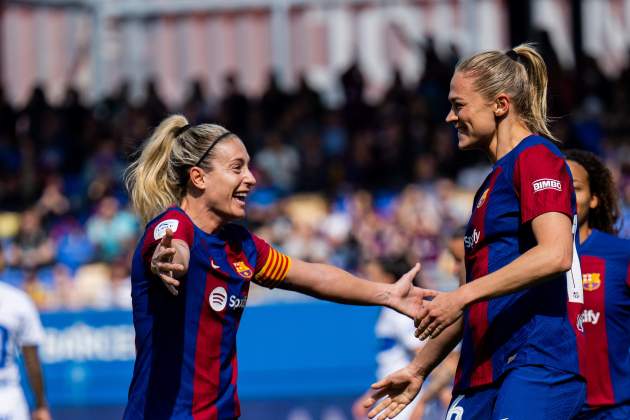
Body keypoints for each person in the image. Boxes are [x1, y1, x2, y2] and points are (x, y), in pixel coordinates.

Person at [122, 115, 435, 419]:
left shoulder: (241, 246)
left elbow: (315, 276)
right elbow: (174, 245)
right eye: (236, 168)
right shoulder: (173, 224)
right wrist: (173, 259)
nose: (251, 178)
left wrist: (388, 294)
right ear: (198, 177)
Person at [363, 44, 585, 420]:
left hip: (532, 363)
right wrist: (419, 369)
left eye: (458, 105)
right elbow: (476, 301)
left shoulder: (536, 156)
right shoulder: (488, 186)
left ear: (500, 105)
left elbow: (555, 254)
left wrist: (462, 294)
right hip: (479, 373)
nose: (450, 117)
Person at [564, 150, 630, 420]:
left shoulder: (621, 255)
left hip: (615, 410)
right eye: (559, 186)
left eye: (576, 188)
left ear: (593, 199)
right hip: (557, 409)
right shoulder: (526, 260)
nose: (565, 194)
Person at [352, 258, 426, 420]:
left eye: (373, 276)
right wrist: (369, 395)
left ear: (389, 279)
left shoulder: (400, 314)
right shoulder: (388, 312)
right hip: (392, 393)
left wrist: (432, 395)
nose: (368, 282)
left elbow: (422, 354)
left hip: (403, 399)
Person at [0, 247, 51, 420]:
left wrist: (40, 405)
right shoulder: (17, 301)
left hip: (9, 393)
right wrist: (41, 405)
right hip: (9, 396)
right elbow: (31, 360)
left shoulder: (19, 301)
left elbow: (31, 359)